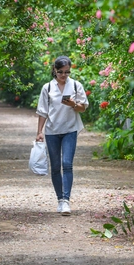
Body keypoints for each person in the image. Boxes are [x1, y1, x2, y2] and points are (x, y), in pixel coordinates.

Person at [35, 56, 89, 215]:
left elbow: (83, 108)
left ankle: (66, 200)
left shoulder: (76, 85)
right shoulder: (48, 88)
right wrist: (39, 132)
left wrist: (73, 104)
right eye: (60, 72)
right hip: (52, 131)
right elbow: (42, 111)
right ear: (54, 70)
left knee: (67, 164)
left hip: (70, 130)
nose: (64, 75)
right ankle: (59, 199)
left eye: (67, 72)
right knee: (56, 166)